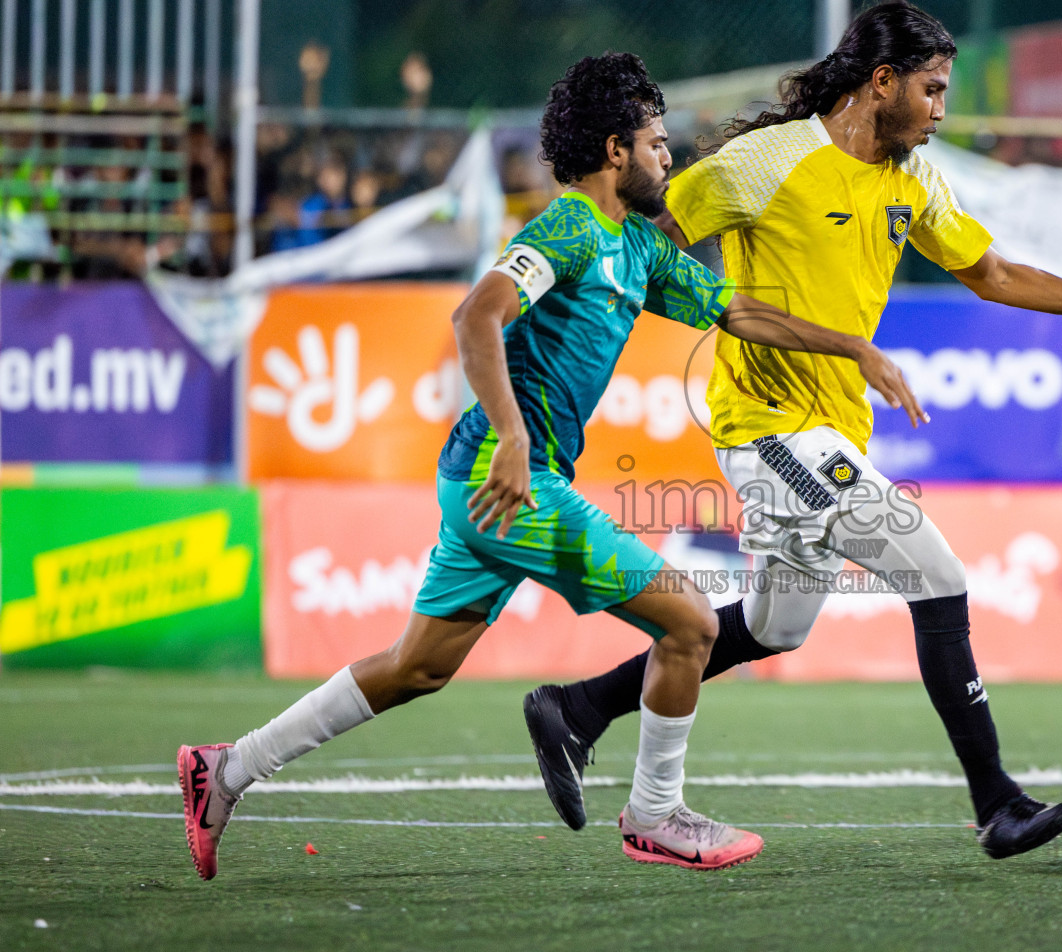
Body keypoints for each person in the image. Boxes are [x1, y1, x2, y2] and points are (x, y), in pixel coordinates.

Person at [177, 52, 926, 879]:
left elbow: (738, 310)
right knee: (692, 624)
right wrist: (512, 435)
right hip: (508, 482)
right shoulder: (567, 226)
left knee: (417, 667)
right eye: (655, 142)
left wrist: (852, 346)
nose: (669, 156)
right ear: (614, 152)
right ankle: (655, 814)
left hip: (486, 488)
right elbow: (476, 317)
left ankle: (226, 769)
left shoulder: (637, 250)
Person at [522, 0, 1062, 860]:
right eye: (931, 89)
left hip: (831, 435)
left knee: (777, 627)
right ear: (881, 81)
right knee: (936, 569)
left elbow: (991, 272)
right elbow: (640, 242)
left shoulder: (913, 178)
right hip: (766, 431)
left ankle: (577, 709)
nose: (940, 109)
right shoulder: (764, 164)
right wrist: (563, 338)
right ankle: (997, 800)